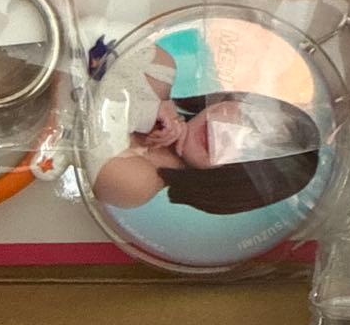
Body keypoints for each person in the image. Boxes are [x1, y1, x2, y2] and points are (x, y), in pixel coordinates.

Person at [89, 43, 321, 215]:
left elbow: (79, 137)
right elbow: (84, 36)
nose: (228, 135)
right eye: (250, 120)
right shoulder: (159, 66)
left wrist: (146, 113)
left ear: (235, 184)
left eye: (248, 154)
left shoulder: (138, 184)